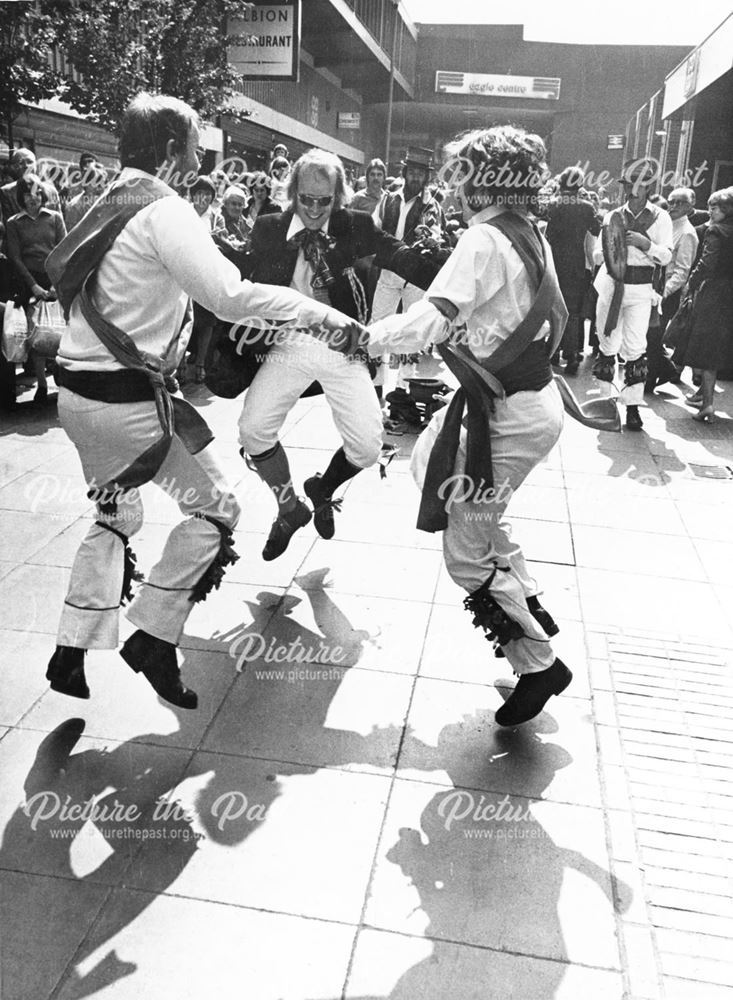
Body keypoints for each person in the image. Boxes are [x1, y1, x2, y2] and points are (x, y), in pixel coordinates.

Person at [43, 92, 362, 710]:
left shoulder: (103, 200)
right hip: (125, 403)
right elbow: (233, 297)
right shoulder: (166, 211)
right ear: (171, 150)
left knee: (115, 515)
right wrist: (322, 315)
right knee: (216, 513)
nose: (201, 156)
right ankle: (154, 637)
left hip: (79, 399)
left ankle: (70, 648)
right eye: (195, 145)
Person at [365, 125, 571, 728]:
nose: (450, 188)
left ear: (481, 178)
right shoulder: (527, 231)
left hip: (505, 414)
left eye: (458, 176)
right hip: (522, 405)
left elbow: (434, 317)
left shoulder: (484, 238)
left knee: (464, 552)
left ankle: (538, 663)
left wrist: (365, 338)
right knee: (429, 466)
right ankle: (525, 598)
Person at [237, 147, 445, 561]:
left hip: (343, 345)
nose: (314, 210)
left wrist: (454, 278)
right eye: (306, 199)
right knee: (252, 430)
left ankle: (324, 487)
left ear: (339, 196)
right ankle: (288, 508)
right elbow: (236, 273)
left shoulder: (355, 225)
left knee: (368, 447)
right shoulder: (268, 228)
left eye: (324, 200)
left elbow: (398, 256)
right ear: (293, 192)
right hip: (287, 345)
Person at [592, 158, 673, 430]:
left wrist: (645, 244)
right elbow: (601, 252)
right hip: (612, 285)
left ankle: (633, 408)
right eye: (629, 184)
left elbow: (666, 256)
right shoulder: (613, 215)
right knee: (606, 341)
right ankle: (606, 402)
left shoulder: (661, 218)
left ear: (648, 187)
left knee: (636, 347)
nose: (632, 189)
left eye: (638, 184)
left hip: (640, 289)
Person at [5, 171, 67, 404]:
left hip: (56, 279)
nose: (33, 198)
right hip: (30, 282)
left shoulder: (54, 218)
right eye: (28, 195)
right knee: (37, 334)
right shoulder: (14, 223)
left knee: (62, 331)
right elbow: (15, 257)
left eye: (37, 193)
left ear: (42, 195)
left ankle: (63, 376)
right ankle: (42, 383)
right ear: (21, 198)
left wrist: (54, 283)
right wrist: (33, 286)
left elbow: (64, 249)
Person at [682, 186, 733, 422]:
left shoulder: (715, 232)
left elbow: (706, 264)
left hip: (715, 292)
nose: (710, 212)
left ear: (726, 210)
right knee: (722, 344)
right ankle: (702, 394)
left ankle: (707, 404)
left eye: (714, 208)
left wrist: (691, 284)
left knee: (708, 347)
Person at [544, 167, 600, 375]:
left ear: (561, 183)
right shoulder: (586, 207)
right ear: (580, 185)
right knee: (573, 311)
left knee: (553, 308)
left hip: (554, 262)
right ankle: (572, 353)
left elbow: (547, 233)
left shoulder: (553, 205)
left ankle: (554, 350)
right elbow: (596, 229)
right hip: (576, 264)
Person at [645, 186, 698, 393]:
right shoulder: (665, 226)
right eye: (671, 202)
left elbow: (682, 272)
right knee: (649, 334)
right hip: (651, 287)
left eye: (680, 203)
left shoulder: (687, 233)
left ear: (690, 206)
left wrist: (663, 293)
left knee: (654, 335)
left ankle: (651, 377)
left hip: (666, 293)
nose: (673, 206)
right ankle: (666, 368)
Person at [64, 162, 108, 231]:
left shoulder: (107, 204)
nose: (101, 188)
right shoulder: (75, 207)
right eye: (97, 182)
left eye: (104, 183)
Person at [0, 147, 36, 227]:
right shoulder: (7, 192)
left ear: (36, 164)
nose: (26, 166)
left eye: (30, 162)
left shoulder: (50, 191)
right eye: (21, 163)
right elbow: (9, 226)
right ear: (13, 167)